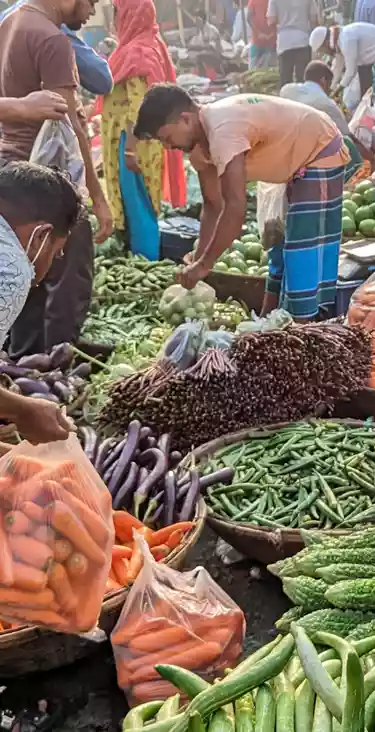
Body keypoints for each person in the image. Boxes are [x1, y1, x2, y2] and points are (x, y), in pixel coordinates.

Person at [134, 85, 350, 320]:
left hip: (318, 150)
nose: (168, 147)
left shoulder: (223, 130)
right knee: (277, 246)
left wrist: (205, 264)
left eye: (167, 138)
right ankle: (269, 322)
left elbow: (234, 208)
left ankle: (303, 329)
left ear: (185, 119)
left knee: (301, 249)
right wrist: (198, 259)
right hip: (289, 161)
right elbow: (213, 204)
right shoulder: (199, 148)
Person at [0, 0, 113, 357]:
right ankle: (60, 356)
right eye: (92, 1)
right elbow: (71, 127)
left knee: (25, 265)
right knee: (70, 265)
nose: (93, 11)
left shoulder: (11, 21)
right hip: (48, 173)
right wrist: (96, 197)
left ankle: (22, 354)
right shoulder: (53, 40)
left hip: (10, 166)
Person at [0, 163, 82, 443]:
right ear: (42, 235)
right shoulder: (11, 268)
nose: (54, 261)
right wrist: (25, 411)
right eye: (57, 252)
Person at [100, 0, 187, 233]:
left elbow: (139, 108)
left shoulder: (136, 53)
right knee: (144, 198)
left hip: (131, 142)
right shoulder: (151, 44)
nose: (115, 19)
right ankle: (142, 248)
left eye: (117, 12)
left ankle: (142, 252)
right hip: (143, 143)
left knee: (136, 202)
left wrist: (130, 149)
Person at [0, 0, 112, 97]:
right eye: (92, 3)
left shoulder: (9, 18)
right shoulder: (52, 35)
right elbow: (102, 80)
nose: (93, 12)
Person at [280, 60, 372, 175]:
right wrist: (372, 159)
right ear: (323, 80)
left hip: (284, 148)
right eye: (330, 84)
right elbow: (348, 136)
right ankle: (348, 176)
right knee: (346, 143)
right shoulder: (327, 104)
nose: (330, 89)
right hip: (309, 155)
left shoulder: (286, 90)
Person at [310, 23, 375, 104]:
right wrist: (330, 88)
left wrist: (337, 91)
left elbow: (351, 71)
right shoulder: (339, 40)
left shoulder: (346, 39)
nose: (325, 53)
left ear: (326, 43)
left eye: (322, 50)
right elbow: (337, 68)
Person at [268, 0, 319, 84]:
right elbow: (313, 19)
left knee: (285, 79)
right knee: (303, 79)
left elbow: (271, 20)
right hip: (303, 39)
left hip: (284, 42)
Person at [247, 0, 277, 69]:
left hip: (271, 43)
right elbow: (248, 17)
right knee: (252, 72)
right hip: (257, 42)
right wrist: (259, 33)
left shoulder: (274, 1)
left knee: (268, 72)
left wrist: (271, 34)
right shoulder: (253, 1)